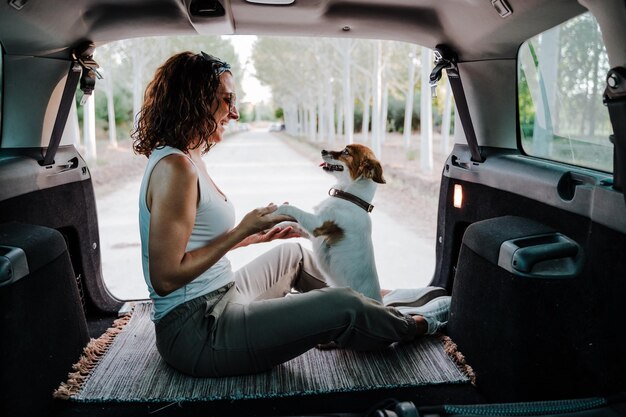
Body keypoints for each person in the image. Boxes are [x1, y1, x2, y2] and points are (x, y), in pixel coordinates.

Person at [132, 51, 451, 378]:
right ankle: (419, 323)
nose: (235, 113)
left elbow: (189, 246)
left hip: (221, 295)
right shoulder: (175, 168)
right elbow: (166, 277)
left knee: (293, 254)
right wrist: (241, 230)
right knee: (341, 305)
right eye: (227, 100)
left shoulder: (188, 157)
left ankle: (382, 300)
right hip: (197, 332)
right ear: (194, 100)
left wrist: (253, 236)